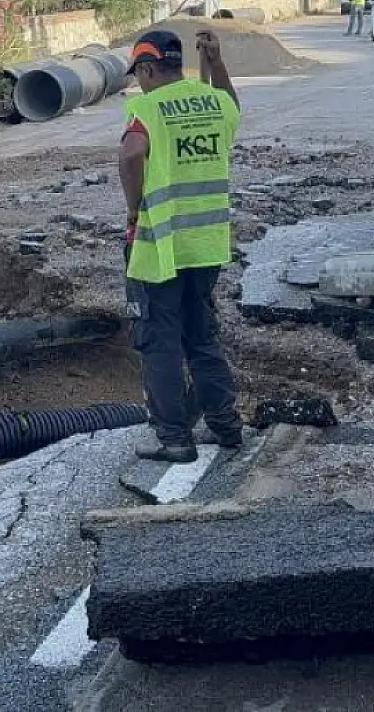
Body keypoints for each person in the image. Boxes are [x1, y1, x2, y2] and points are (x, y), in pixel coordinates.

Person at [118, 29, 243, 463]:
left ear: (148, 69)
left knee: (159, 342)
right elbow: (232, 108)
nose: (139, 83)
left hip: (160, 246)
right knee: (201, 337)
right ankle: (226, 427)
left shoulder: (148, 108)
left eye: (139, 75)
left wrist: (133, 208)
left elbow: (131, 154)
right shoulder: (214, 100)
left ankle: (174, 439)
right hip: (205, 245)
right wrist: (217, 64)